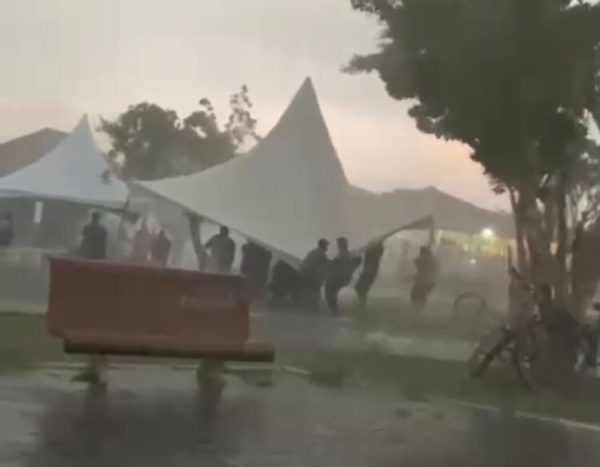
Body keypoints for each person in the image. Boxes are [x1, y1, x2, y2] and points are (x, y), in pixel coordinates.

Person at [74, 211, 109, 384]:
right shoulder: (103, 230)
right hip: (98, 260)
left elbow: (84, 243)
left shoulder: (88, 228)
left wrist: (80, 254)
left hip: (89, 259)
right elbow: (104, 246)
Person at [325, 237, 361, 315]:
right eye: (338, 244)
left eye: (339, 244)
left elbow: (342, 264)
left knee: (330, 290)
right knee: (330, 290)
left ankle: (334, 310)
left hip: (342, 278)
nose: (338, 246)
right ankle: (334, 309)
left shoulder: (345, 254)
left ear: (342, 245)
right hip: (343, 277)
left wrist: (333, 263)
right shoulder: (345, 253)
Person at [300, 239, 330, 306]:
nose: (327, 247)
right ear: (323, 245)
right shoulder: (321, 255)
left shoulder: (313, 252)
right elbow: (322, 268)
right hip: (311, 279)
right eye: (326, 245)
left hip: (304, 276)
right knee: (316, 298)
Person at [355, 242, 385, 308]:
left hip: (370, 271)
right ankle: (363, 303)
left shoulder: (377, 247)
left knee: (360, 287)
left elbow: (379, 254)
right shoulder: (373, 246)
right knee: (360, 287)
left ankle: (363, 303)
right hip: (368, 271)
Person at [410, 246, 438, 310]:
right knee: (422, 295)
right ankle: (420, 308)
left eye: (421, 252)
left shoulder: (422, 258)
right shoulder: (433, 259)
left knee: (415, 295)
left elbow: (416, 261)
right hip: (430, 282)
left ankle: (417, 309)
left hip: (423, 281)